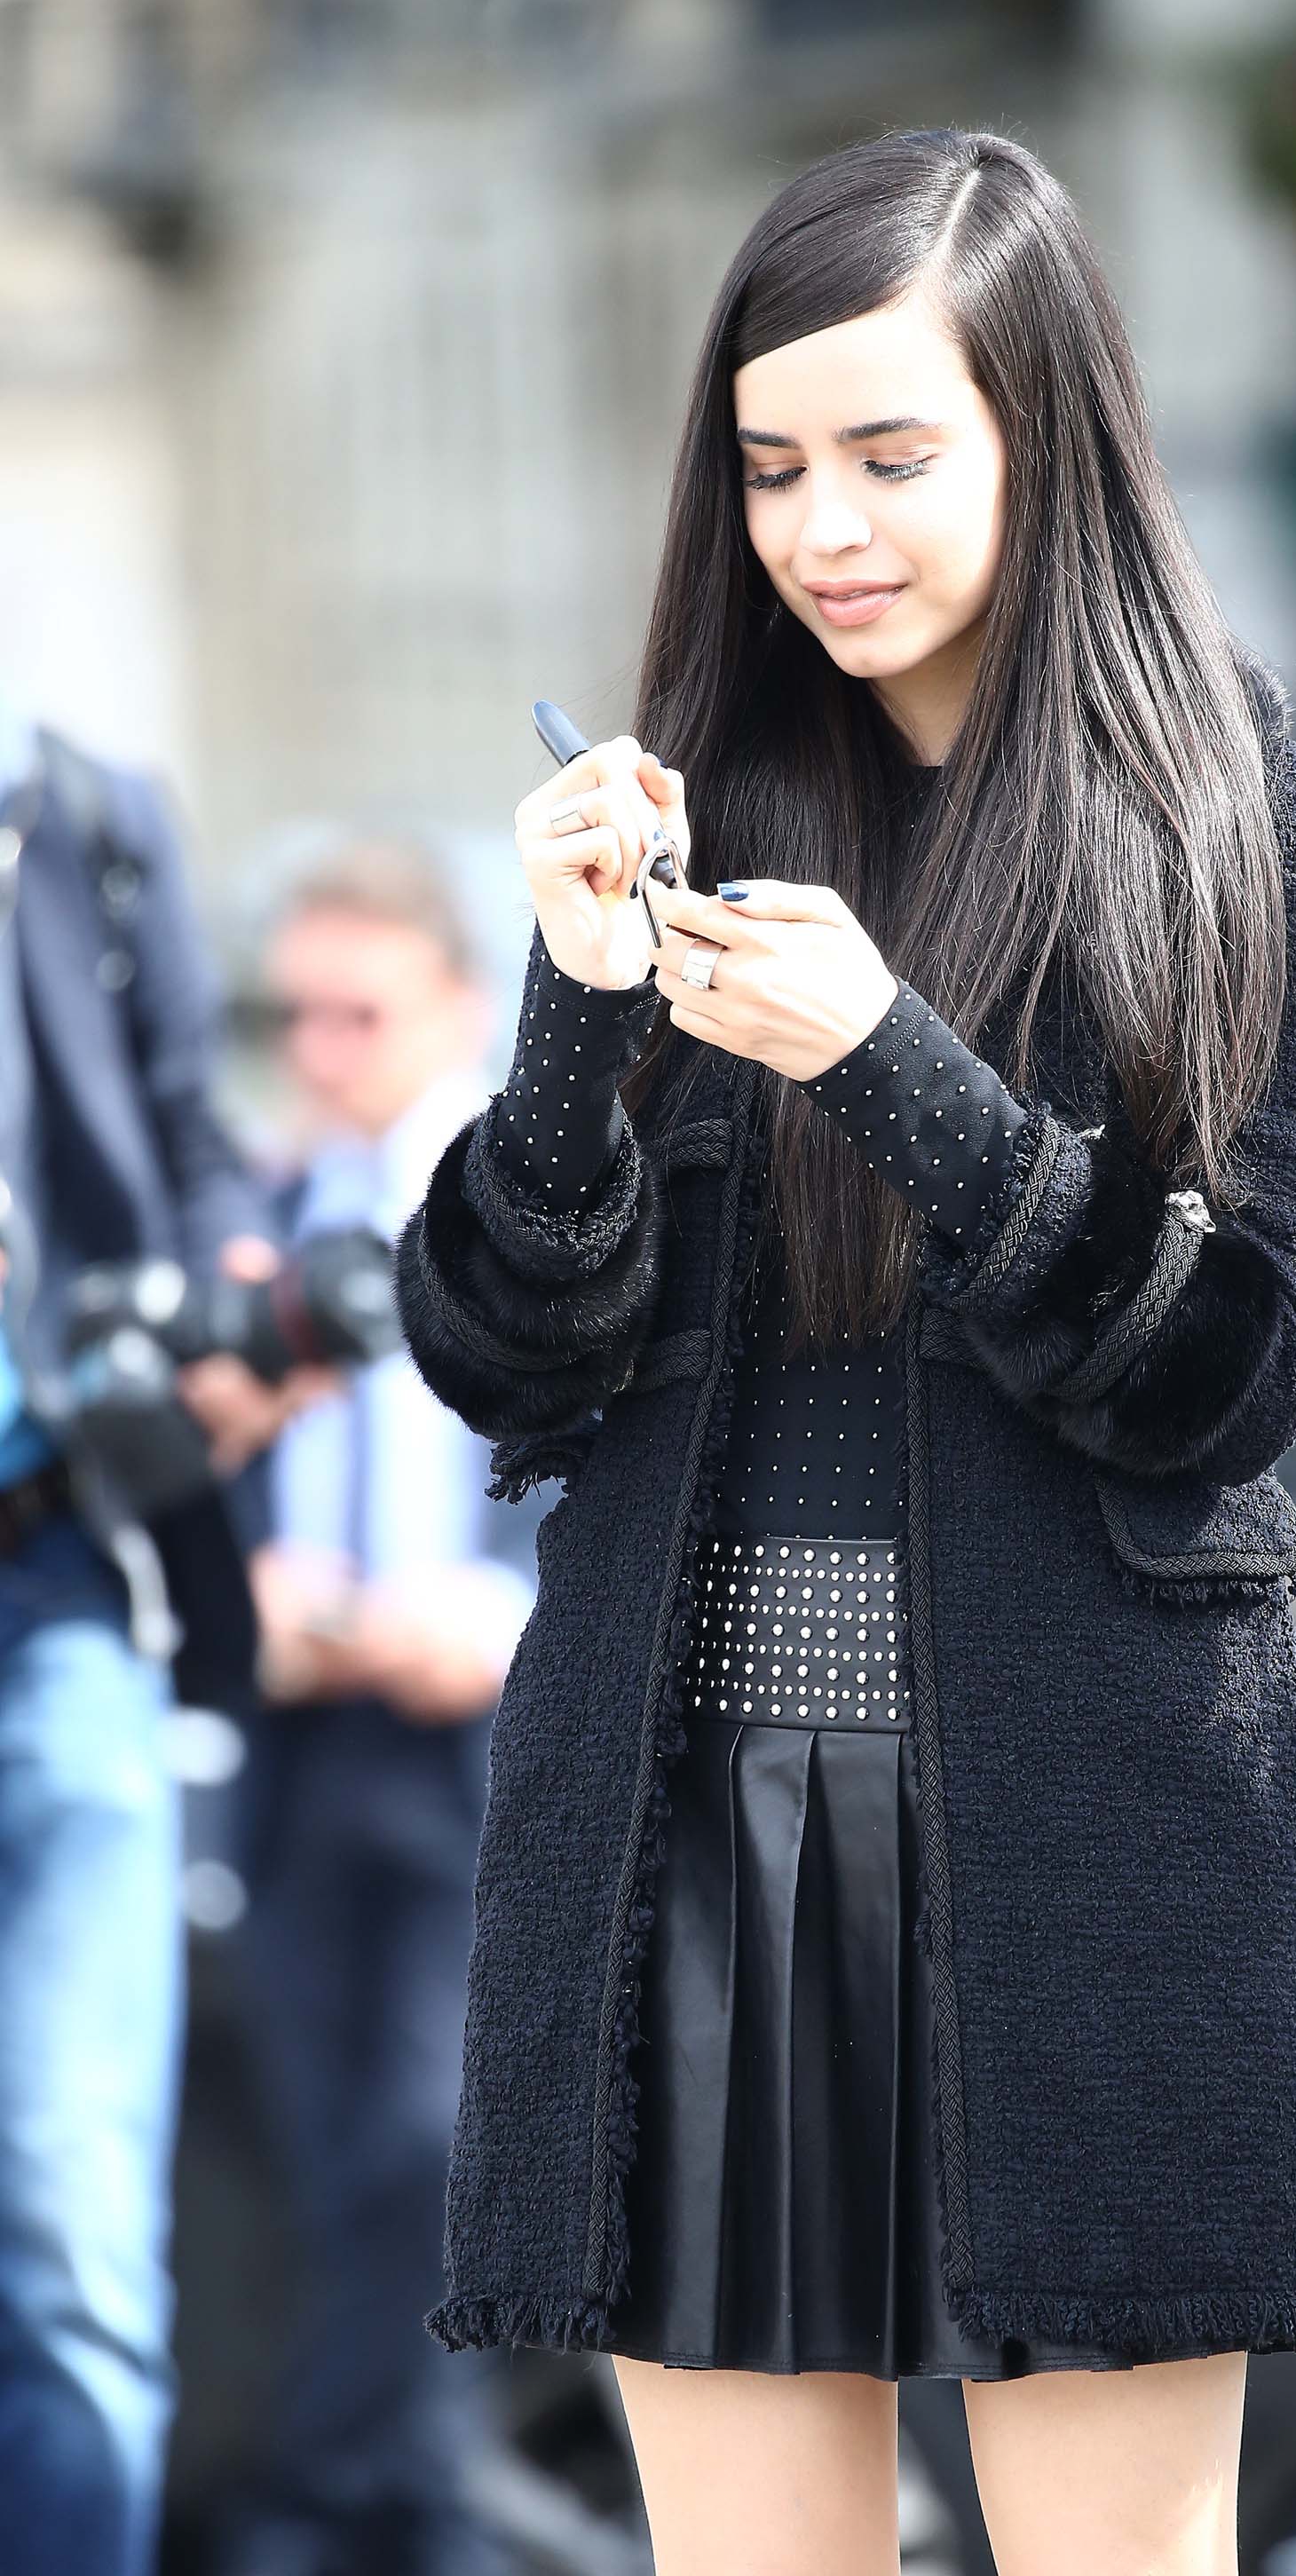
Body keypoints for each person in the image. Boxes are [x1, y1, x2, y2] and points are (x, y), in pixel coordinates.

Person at [395, 126, 1296, 2576]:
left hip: (1083, 1837)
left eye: (888, 455)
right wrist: (576, 1013)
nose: (820, 527)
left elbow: (1235, 1380)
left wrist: (899, 1078)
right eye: (767, 470)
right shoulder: (689, 822)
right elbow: (506, 1368)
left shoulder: (1242, 827)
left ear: (1044, 443)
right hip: (686, 1842)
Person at [0, 707, 330, 2576]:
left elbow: (194, 1148)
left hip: (58, 1583)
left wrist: (237, 1314)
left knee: (76, 2250)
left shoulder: (80, 816)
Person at [223, 845, 540, 2576]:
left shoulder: (539, 1202)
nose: (321, 1049)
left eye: (360, 1013)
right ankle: (393, 2505)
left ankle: (374, 2510)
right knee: (332, 2148)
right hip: (300, 1738)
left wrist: (498, 1622)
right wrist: (245, 1586)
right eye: (298, 1015)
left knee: (436, 2144)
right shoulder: (263, 1206)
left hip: (482, 1735)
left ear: (459, 1007)